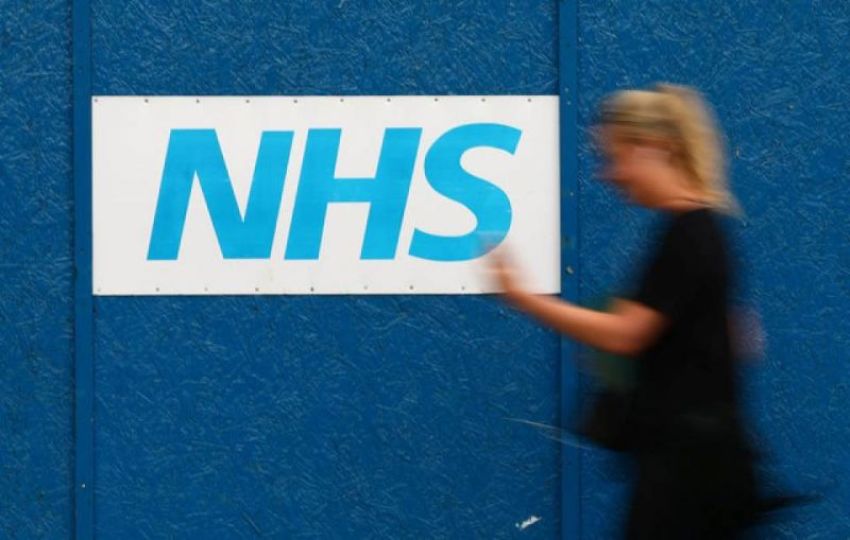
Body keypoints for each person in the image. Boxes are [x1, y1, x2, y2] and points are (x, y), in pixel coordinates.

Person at [489, 84, 758, 538]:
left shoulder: (688, 234)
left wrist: (522, 297)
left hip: (687, 471)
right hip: (693, 463)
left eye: (615, 157)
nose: (608, 174)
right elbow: (740, 337)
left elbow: (624, 334)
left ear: (655, 148)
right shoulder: (698, 229)